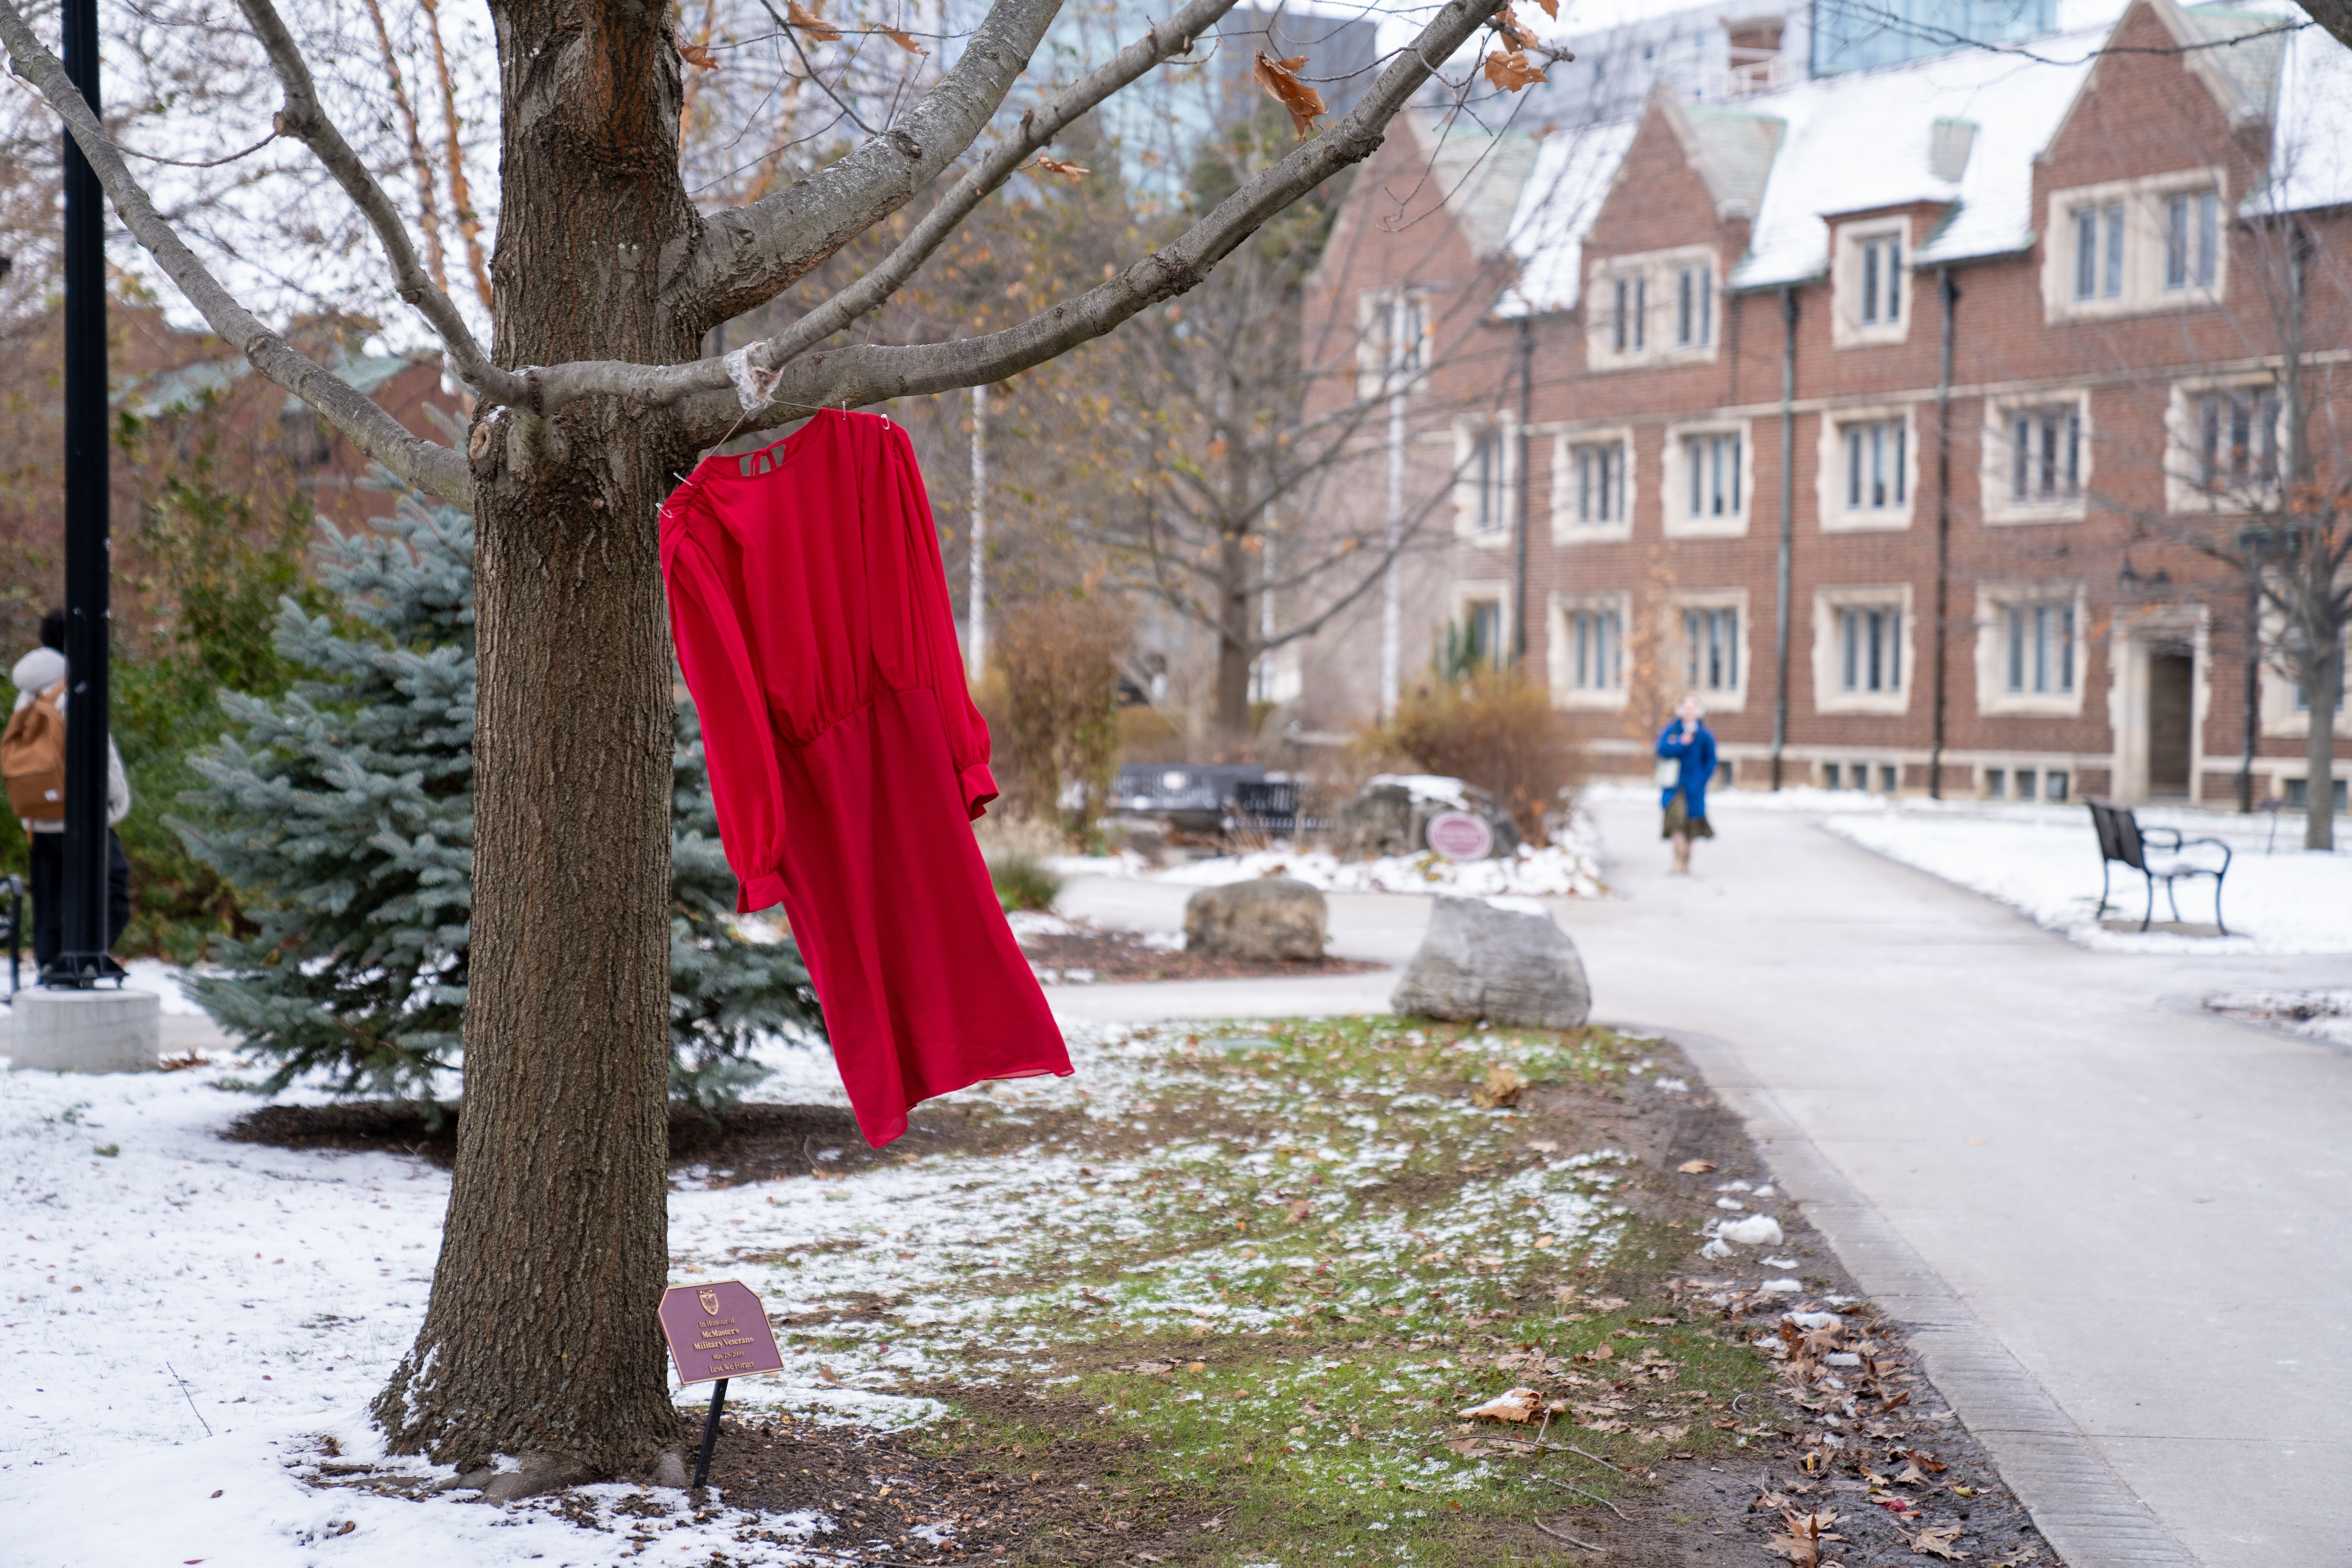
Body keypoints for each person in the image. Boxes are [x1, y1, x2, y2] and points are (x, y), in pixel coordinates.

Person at [12, 608, 132, 971]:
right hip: (79, 815)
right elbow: (94, 757)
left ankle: (51, 969)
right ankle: (81, 964)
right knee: (113, 893)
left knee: (50, 903)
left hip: (39, 815)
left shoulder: (31, 691)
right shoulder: (75, 689)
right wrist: (114, 798)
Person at [1656, 693, 1717, 876]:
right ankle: (1679, 853)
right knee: (1674, 820)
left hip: (1695, 787)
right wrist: (1681, 744)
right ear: (1681, 710)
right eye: (1686, 707)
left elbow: (1711, 760)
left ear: (1698, 711)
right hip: (1674, 785)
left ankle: (1686, 860)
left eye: (1693, 707)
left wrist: (1702, 779)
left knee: (1691, 824)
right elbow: (1661, 750)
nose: (1689, 711)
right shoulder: (1672, 730)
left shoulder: (1705, 735)